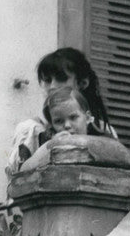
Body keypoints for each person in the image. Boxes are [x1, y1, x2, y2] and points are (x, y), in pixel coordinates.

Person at [7, 47, 115, 176]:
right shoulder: (32, 131)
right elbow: (18, 178)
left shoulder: (103, 131)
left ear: (82, 83)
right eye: (47, 80)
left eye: (61, 78)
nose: (52, 86)